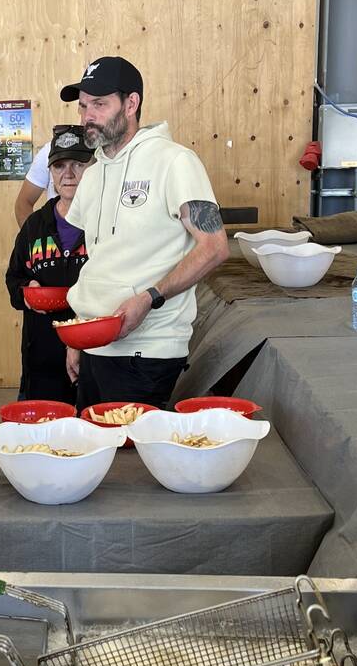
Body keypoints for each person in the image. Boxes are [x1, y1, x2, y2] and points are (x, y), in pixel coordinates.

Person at [61, 56, 230, 410]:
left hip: (147, 349)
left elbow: (214, 247)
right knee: (94, 454)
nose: (87, 116)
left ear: (131, 103)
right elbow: (98, 261)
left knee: (127, 461)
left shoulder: (174, 162)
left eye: (99, 104)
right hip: (95, 347)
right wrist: (78, 336)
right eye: (83, 106)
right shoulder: (92, 175)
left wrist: (149, 297)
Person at [4, 125, 93, 405]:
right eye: (59, 165)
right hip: (41, 354)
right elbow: (14, 279)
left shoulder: (106, 224)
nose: (68, 174)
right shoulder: (34, 226)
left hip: (93, 356)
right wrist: (26, 291)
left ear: (94, 167)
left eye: (79, 164)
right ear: (50, 173)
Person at [13, 138, 57, 227]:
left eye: (79, 165)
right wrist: (35, 237)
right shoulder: (50, 150)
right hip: (56, 236)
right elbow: (23, 203)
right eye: (59, 166)